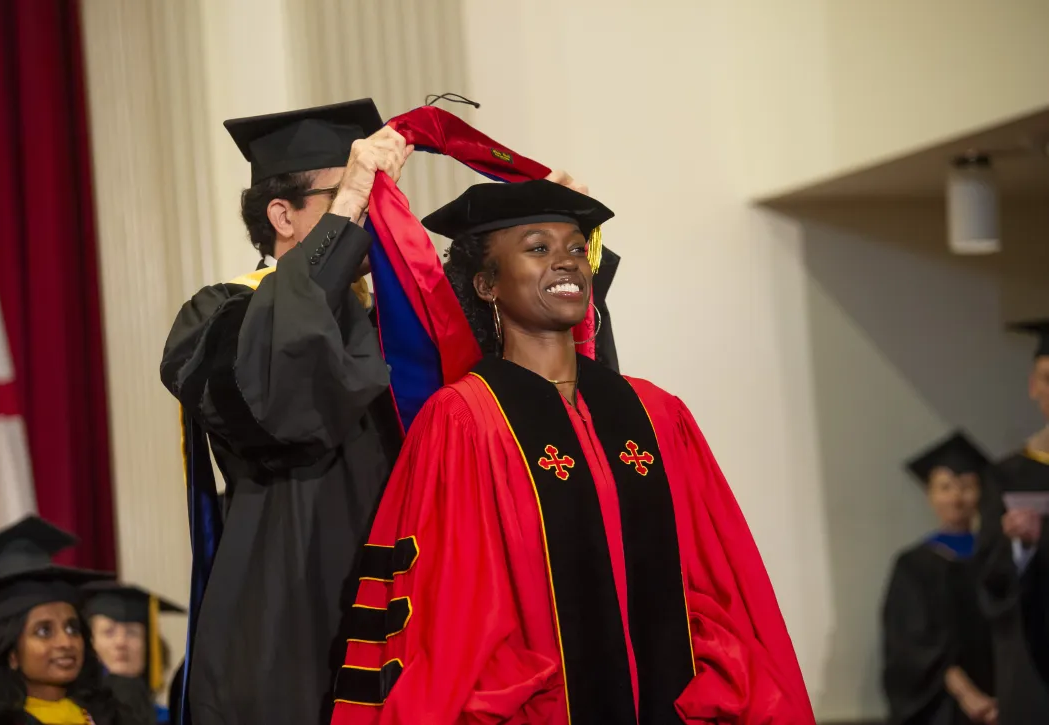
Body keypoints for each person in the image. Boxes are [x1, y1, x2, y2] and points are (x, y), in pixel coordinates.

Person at [161, 99, 606, 724]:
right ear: (282, 215)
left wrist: (545, 231)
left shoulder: (415, 326)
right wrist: (347, 206)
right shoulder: (225, 316)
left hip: (420, 622)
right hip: (290, 621)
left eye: (380, 192)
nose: (374, 209)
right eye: (355, 190)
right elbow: (282, 393)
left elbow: (534, 373)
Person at [328, 179, 814, 724]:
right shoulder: (464, 421)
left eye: (577, 248)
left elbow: (719, 578)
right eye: (538, 248)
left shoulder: (654, 413)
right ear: (487, 284)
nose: (566, 262)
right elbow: (451, 612)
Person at [0, 516, 136, 725]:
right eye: (44, 631)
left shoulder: (111, 715)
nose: (66, 642)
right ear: (12, 654)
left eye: (72, 629)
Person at [882, 432, 996, 725]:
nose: (956, 498)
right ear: (930, 495)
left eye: (967, 486)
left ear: (981, 493)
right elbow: (912, 646)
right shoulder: (912, 566)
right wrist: (968, 695)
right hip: (942, 708)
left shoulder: (998, 558)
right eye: (945, 487)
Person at [973, 320, 1049, 723]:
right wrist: (1021, 548)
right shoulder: (1005, 477)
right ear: (1033, 387)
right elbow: (987, 576)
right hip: (1032, 664)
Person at [82, 583, 185, 725]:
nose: (121, 642)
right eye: (109, 632)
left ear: (149, 645)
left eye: (132, 632)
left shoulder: (172, 718)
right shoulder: (77, 715)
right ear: (89, 643)